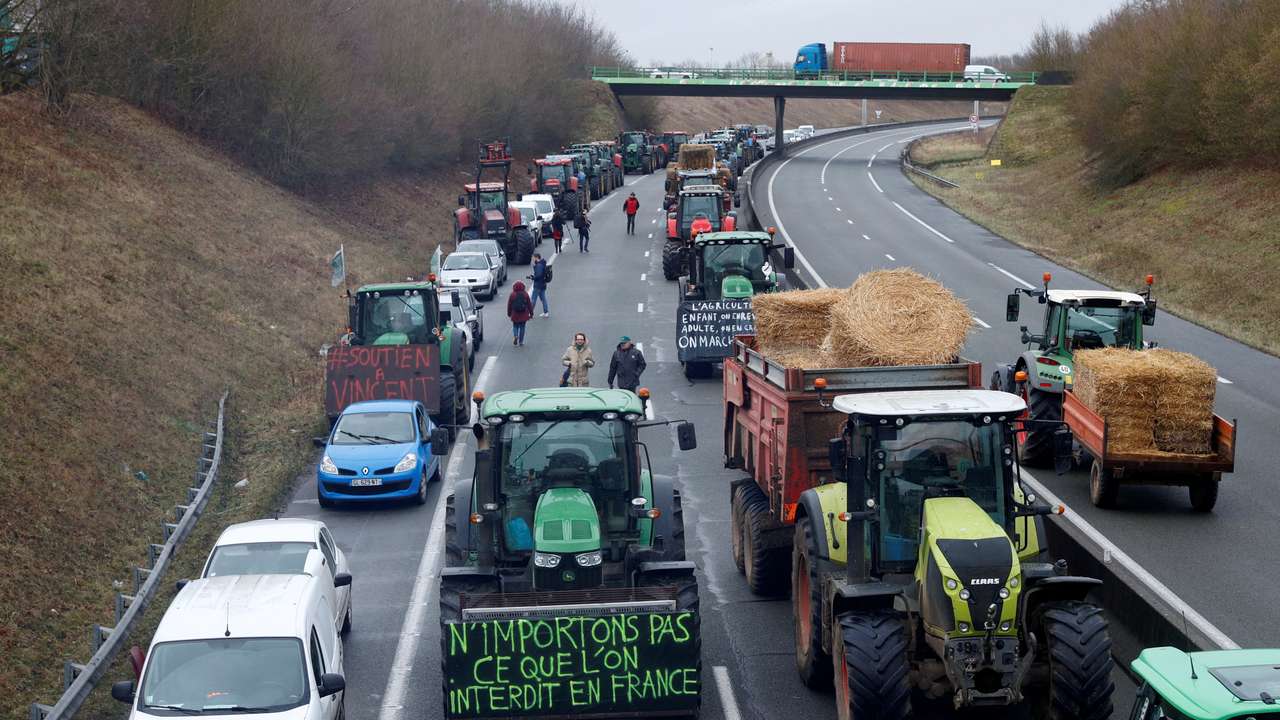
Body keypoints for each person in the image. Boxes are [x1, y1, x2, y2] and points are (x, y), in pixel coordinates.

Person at [506, 281, 533, 346]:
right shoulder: (525, 294)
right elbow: (529, 304)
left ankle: (515, 336)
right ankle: (521, 341)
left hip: (515, 314)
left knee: (515, 326)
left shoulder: (512, 294)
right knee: (522, 327)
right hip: (524, 314)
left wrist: (509, 313)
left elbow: (509, 305)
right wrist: (531, 313)